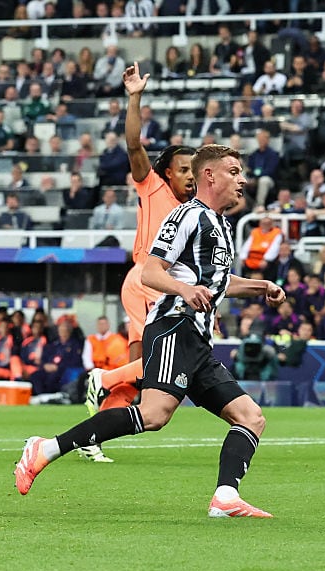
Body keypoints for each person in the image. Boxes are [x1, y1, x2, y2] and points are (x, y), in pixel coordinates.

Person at [16, 144, 287, 519]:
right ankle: (45, 448)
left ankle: (225, 498)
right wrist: (184, 290)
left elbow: (219, 282)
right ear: (209, 175)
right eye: (234, 172)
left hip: (197, 340)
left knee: (251, 417)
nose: (243, 180)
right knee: (154, 414)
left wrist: (262, 286)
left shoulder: (222, 225)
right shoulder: (186, 216)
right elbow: (151, 271)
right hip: (173, 325)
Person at [83, 63, 196, 461]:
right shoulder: (152, 186)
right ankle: (103, 377)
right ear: (167, 172)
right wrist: (135, 97)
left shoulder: (193, 210)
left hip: (156, 286)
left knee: (142, 373)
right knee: (159, 361)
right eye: (184, 169)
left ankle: (92, 435)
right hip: (148, 280)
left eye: (194, 170)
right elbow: (134, 146)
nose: (191, 176)